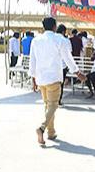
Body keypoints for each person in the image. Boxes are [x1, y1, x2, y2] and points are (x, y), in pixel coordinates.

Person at [29, 17, 86, 145]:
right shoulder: (59, 39)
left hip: (41, 78)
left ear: (43, 27)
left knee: (47, 106)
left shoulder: (36, 40)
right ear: (54, 27)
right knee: (53, 105)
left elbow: (33, 61)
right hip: (54, 77)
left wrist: (33, 79)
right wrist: (77, 72)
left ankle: (51, 132)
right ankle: (42, 127)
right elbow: (67, 58)